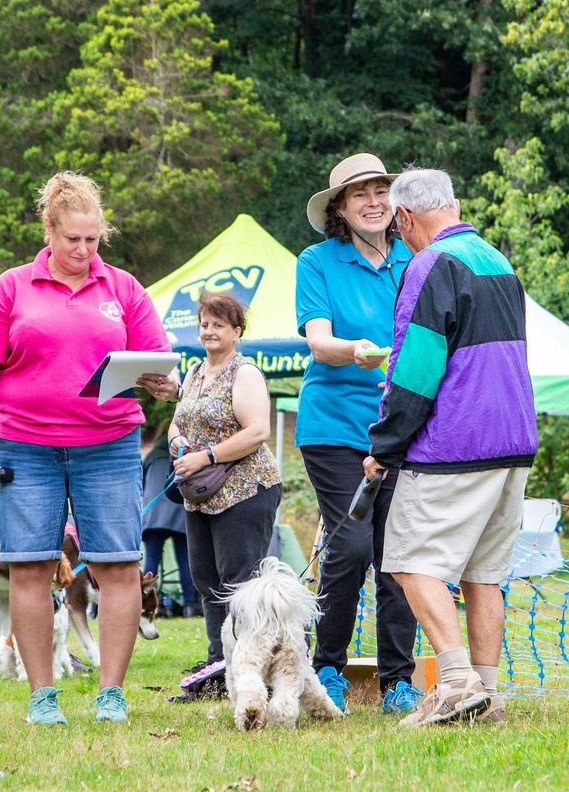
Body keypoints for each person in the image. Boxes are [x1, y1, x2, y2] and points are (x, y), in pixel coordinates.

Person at [0, 171, 179, 726]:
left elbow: (159, 363)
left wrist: (163, 383)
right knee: (30, 567)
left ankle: (111, 693)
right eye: (72, 240)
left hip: (107, 445)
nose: (84, 251)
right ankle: (43, 695)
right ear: (49, 233)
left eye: (93, 240)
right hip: (24, 446)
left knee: (119, 566)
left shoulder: (124, 289)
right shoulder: (11, 287)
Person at [364, 167, 539, 727]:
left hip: (455, 443)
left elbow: (415, 368)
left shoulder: (428, 264)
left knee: (410, 560)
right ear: (455, 203)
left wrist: (385, 445)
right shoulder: (497, 259)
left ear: (405, 217)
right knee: (484, 574)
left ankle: (457, 681)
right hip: (512, 439)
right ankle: (486, 693)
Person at [295, 153, 422, 714]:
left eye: (380, 191)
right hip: (334, 425)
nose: (373, 202)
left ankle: (398, 680)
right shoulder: (317, 261)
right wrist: (357, 352)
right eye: (360, 194)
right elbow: (320, 342)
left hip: (403, 428)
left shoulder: (416, 261)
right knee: (348, 548)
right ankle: (328, 667)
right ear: (340, 211)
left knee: (400, 555)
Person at [166, 293, 282, 700]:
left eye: (218, 324)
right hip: (200, 495)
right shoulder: (195, 372)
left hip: (245, 491)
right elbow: (177, 421)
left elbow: (256, 432)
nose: (209, 330)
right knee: (207, 582)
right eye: (204, 323)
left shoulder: (245, 373)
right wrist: (179, 441)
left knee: (240, 586)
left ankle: (253, 674)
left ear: (237, 331)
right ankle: (219, 670)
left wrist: (206, 455)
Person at [140, 429, 197, 618]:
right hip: (178, 513)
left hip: (154, 515)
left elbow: (140, 484)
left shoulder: (151, 456)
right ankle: (190, 606)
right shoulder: (185, 457)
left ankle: (145, 601)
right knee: (184, 561)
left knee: (152, 560)